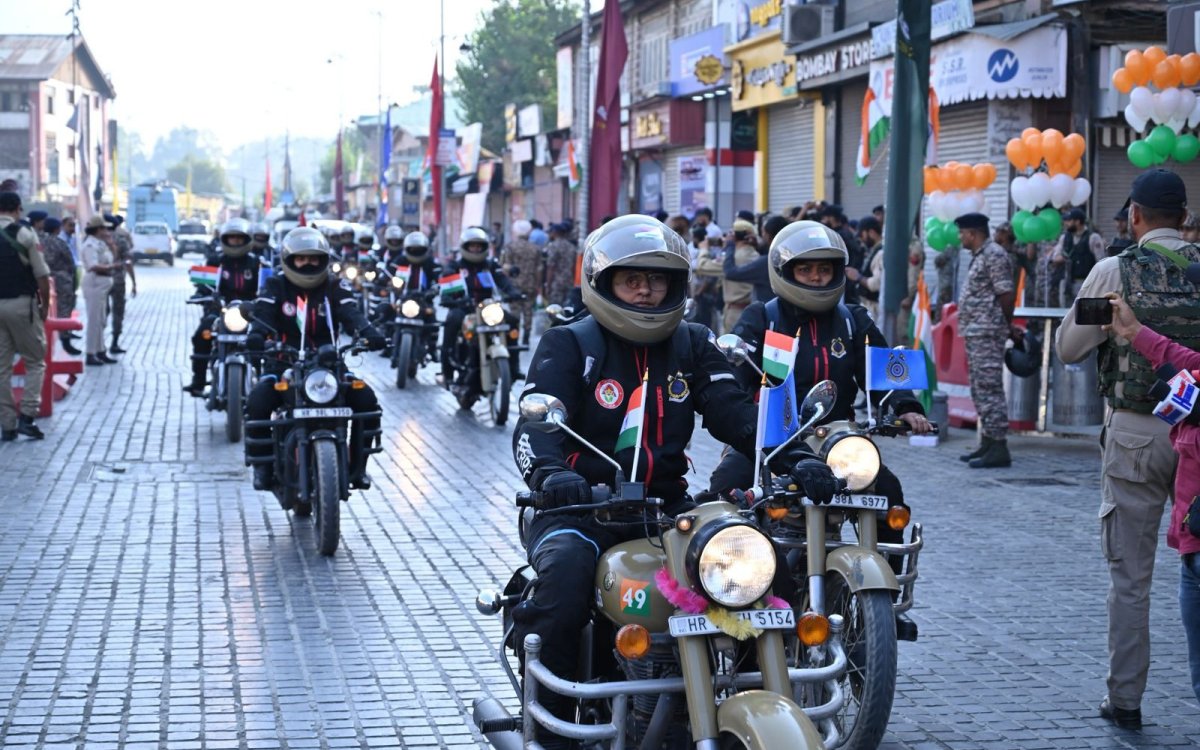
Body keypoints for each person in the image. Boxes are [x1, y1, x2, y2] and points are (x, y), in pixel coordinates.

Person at [510, 215, 840, 749]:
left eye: (658, 279)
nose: (647, 289)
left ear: (677, 285)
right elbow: (534, 426)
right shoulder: (569, 343)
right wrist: (553, 476)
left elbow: (736, 411)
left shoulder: (691, 343)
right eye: (632, 279)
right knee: (565, 579)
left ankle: (750, 692)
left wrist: (795, 457)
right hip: (577, 510)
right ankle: (555, 726)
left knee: (759, 570)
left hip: (666, 512)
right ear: (603, 283)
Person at [708, 220, 932, 586]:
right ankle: (725, 585)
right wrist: (743, 416)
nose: (816, 277)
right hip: (772, 439)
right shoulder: (763, 317)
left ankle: (887, 595)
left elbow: (882, 370)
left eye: (824, 269)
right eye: (806, 269)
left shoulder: (852, 320)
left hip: (837, 443)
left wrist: (906, 406)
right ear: (786, 271)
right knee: (724, 491)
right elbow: (733, 378)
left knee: (888, 492)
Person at [1055, 169, 1200, 729]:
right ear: (1184, 217)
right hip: (1199, 434)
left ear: (1135, 216)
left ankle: (1126, 700)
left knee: (1131, 578)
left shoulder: (1114, 270)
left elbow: (1069, 347)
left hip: (1137, 432)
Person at [1107, 293, 1200, 706]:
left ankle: (1125, 699)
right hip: (1193, 534)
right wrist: (1136, 333)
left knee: (1130, 578)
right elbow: (1183, 362)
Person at [244, 227, 386, 491]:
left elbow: (350, 311)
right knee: (258, 400)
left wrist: (369, 332)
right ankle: (263, 468)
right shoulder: (276, 285)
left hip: (328, 363)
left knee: (365, 399)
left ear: (323, 260)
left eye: (313, 258)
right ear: (289, 260)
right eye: (301, 258)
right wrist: (256, 335)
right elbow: (263, 312)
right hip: (282, 360)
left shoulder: (333, 285)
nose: (307, 263)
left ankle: (359, 466)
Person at [955, 212, 1017, 469]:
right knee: (980, 388)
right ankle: (989, 442)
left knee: (990, 388)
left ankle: (999, 446)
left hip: (988, 332)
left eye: (962, 233)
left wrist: (1005, 324)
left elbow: (1006, 293)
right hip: (976, 331)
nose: (960, 238)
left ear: (972, 233)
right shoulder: (981, 256)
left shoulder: (994, 255)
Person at [183, 218, 261, 396]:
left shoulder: (256, 263)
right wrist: (202, 294)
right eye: (231, 238)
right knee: (201, 335)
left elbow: (265, 287)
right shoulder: (215, 260)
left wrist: (262, 301)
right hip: (220, 310)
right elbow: (204, 285)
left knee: (261, 339)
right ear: (225, 240)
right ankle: (199, 381)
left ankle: (261, 380)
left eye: (239, 238)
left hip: (249, 313)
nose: (235, 241)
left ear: (247, 240)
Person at [441, 226, 523, 385]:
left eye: (479, 246)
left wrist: (513, 293)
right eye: (472, 246)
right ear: (465, 247)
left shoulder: (490, 265)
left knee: (512, 321)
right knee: (452, 320)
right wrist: (449, 298)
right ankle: (447, 369)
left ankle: (514, 367)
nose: (476, 249)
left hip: (488, 308)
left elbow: (503, 281)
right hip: (464, 308)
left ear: (485, 247)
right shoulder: (455, 266)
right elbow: (447, 285)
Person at [0, 192, 50, 440]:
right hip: (21, 304)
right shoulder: (24, 234)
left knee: (1, 367)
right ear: (18, 209)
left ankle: (7, 425)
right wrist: (45, 306)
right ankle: (27, 416)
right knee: (35, 360)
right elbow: (41, 275)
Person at [79, 215, 118, 367]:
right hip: (95, 282)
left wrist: (111, 245)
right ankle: (90, 353)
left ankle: (100, 350)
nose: (106, 231)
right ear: (98, 229)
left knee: (101, 320)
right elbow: (92, 265)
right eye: (103, 228)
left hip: (103, 284)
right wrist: (111, 268)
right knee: (94, 320)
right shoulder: (90, 245)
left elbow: (112, 257)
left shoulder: (101, 244)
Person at [37, 217, 79, 355]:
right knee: (64, 309)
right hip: (61, 279)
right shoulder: (59, 242)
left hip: (42, 278)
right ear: (57, 228)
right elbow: (70, 262)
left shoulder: (38, 241)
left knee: (43, 309)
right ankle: (65, 340)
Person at [500, 220, 543, 345]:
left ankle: (515, 335)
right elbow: (539, 269)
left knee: (515, 312)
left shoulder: (510, 247)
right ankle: (526, 337)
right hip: (530, 284)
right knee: (528, 311)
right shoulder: (535, 248)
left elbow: (505, 266)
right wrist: (538, 284)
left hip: (514, 285)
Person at [1052, 208, 1106, 308]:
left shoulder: (1093, 237)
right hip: (1067, 282)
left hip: (1085, 282)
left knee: (1083, 315)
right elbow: (1056, 257)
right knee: (1065, 314)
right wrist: (1063, 258)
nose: (1066, 223)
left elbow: (1101, 263)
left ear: (1077, 221)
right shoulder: (1064, 238)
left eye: (1069, 221)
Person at [105, 214, 136, 355]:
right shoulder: (121, 240)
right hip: (118, 280)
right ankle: (114, 343)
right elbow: (128, 263)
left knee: (100, 313)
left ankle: (98, 345)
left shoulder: (98, 239)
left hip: (100, 280)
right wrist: (134, 282)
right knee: (118, 312)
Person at [854, 216, 884, 318]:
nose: (861, 239)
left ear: (871, 232)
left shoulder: (881, 253)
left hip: (875, 308)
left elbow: (876, 284)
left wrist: (858, 277)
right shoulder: (874, 250)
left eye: (862, 235)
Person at [542, 222, 577, 308]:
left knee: (555, 308)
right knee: (567, 308)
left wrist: (548, 285)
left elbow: (551, 267)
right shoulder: (571, 247)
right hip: (569, 281)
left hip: (556, 282)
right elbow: (574, 267)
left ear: (555, 233)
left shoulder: (553, 246)